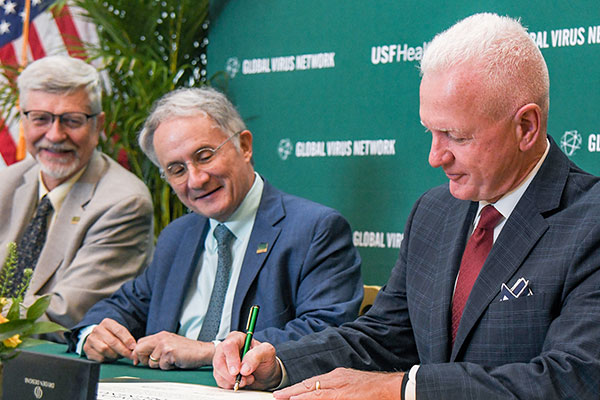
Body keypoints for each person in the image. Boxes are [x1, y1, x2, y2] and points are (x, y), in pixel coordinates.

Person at [212, 13, 600, 399]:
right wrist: (279, 364)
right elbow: (384, 335)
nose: (435, 157)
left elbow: (573, 378)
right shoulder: (434, 212)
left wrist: (402, 389)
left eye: (455, 136)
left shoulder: (591, 220)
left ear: (526, 127)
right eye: (430, 131)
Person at [66, 87, 363, 370]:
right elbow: (123, 306)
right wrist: (93, 333)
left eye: (204, 155)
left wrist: (212, 351)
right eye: (177, 169)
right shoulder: (177, 236)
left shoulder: (314, 229)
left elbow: (327, 333)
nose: (195, 180)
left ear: (244, 146)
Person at [0, 55, 154, 343]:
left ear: (98, 126)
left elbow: (63, 314)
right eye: (41, 119)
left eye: (72, 120)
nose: (55, 135)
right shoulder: (8, 182)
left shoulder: (124, 203)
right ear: (24, 121)